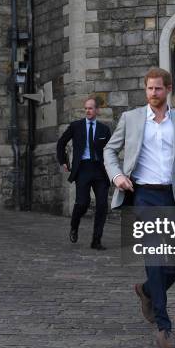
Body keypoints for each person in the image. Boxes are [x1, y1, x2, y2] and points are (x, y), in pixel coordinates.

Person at [104, 68, 175, 348]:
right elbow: (109, 151)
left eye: (158, 89)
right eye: (149, 89)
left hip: (173, 197)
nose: (153, 94)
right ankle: (164, 327)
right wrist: (117, 176)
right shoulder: (131, 119)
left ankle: (148, 290)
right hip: (143, 196)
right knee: (154, 258)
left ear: (168, 90)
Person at [56, 97, 111, 250]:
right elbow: (61, 143)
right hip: (83, 168)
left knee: (102, 205)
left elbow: (110, 151)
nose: (88, 111)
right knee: (82, 203)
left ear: (97, 110)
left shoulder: (104, 130)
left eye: (91, 108)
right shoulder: (76, 126)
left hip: (99, 169)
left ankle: (96, 240)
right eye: (86, 108)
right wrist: (63, 161)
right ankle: (74, 225)